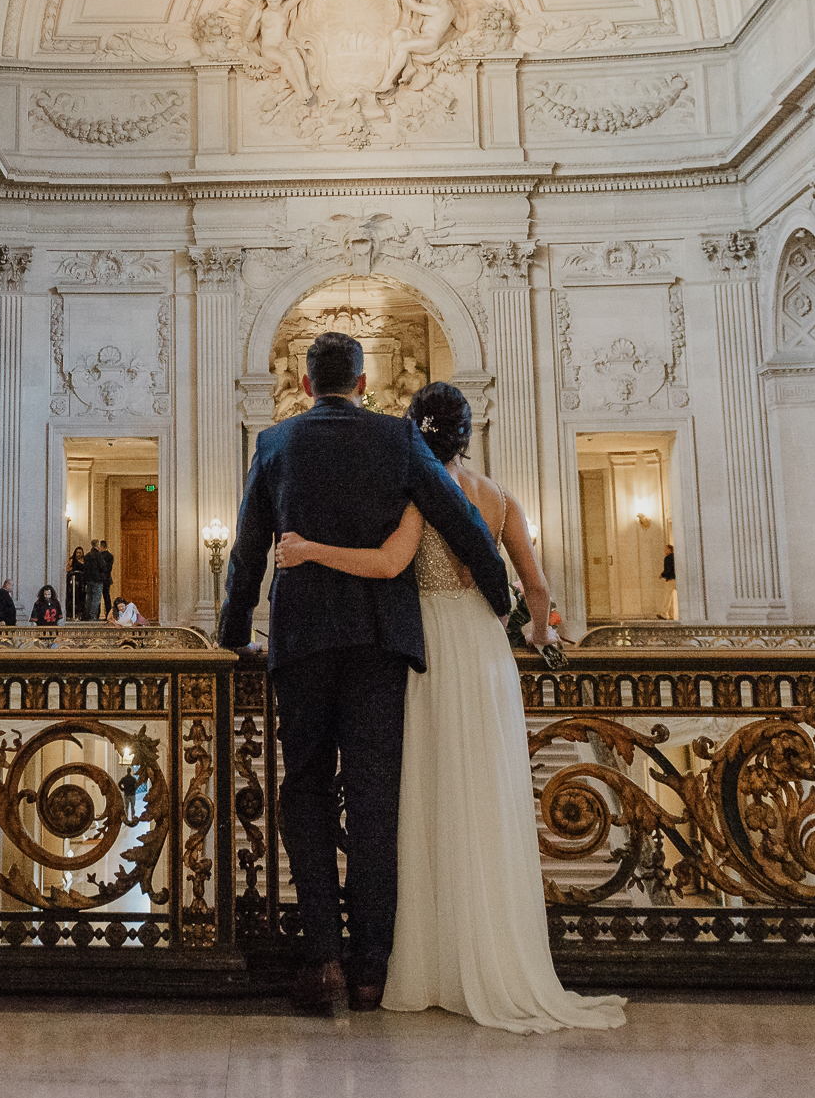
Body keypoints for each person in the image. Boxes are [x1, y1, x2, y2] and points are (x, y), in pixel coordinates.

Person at [276, 381, 626, 1035]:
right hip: (486, 652)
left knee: (423, 795)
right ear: (468, 432)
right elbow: (537, 585)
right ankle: (490, 946)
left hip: (428, 645)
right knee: (482, 794)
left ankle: (426, 956)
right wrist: (539, 632)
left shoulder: (417, 494)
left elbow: (387, 563)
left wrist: (307, 550)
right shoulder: (498, 496)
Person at [217, 332, 512, 1018]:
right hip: (380, 642)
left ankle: (321, 954)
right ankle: (372, 968)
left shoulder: (276, 443)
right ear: (362, 378)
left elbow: (246, 551)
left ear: (307, 380)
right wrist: (506, 608)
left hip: (302, 642)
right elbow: (462, 521)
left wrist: (231, 639)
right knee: (376, 801)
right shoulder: (396, 438)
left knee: (307, 790)